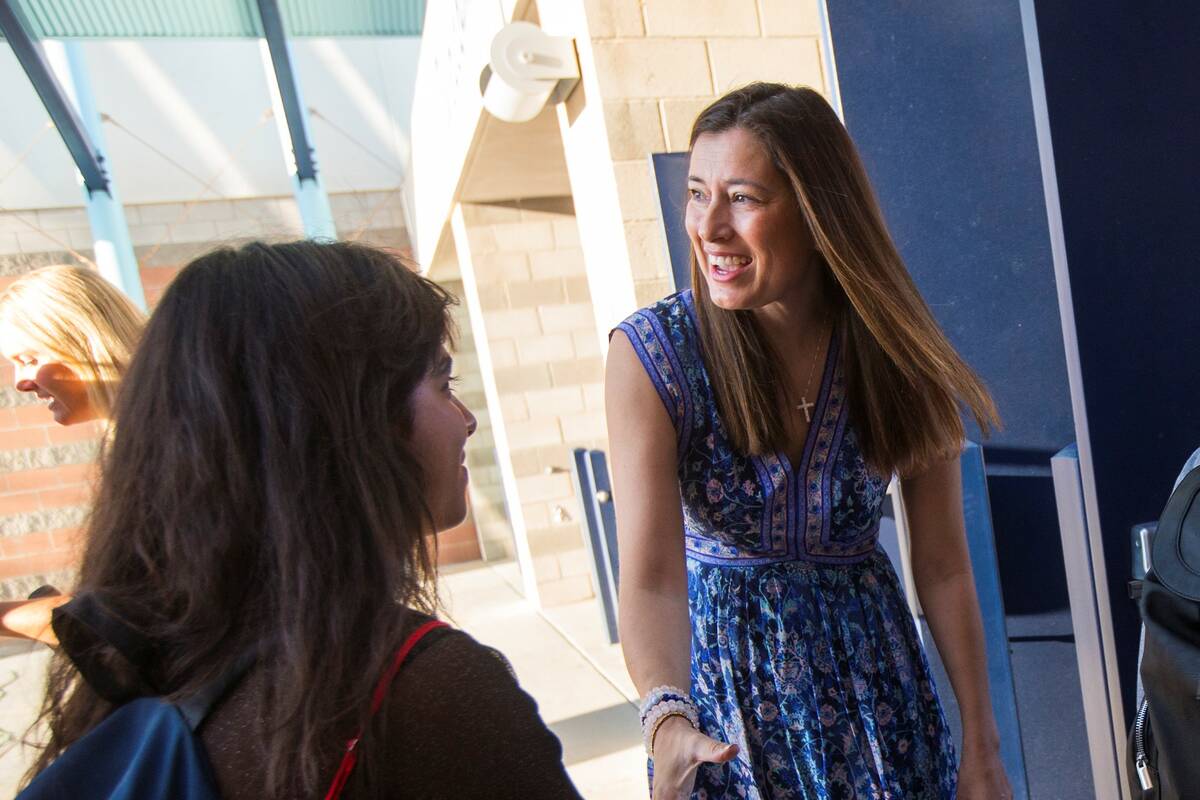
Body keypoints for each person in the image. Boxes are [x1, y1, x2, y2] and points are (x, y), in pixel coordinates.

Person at [24, 241, 582, 799]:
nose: (465, 421)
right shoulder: (422, 692)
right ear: (356, 419)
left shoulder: (160, 676)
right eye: (444, 385)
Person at [606, 83, 1012, 799]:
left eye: (744, 198)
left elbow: (944, 566)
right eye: (698, 195)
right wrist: (665, 718)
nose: (710, 227)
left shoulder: (896, 350)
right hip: (730, 726)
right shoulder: (652, 356)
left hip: (882, 710)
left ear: (819, 212)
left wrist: (981, 747)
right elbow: (651, 576)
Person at [0, 265, 145, 645]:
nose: (20, 382)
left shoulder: (170, 449)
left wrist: (11, 617)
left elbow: (140, 624)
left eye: (29, 359)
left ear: (84, 341)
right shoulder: (139, 441)